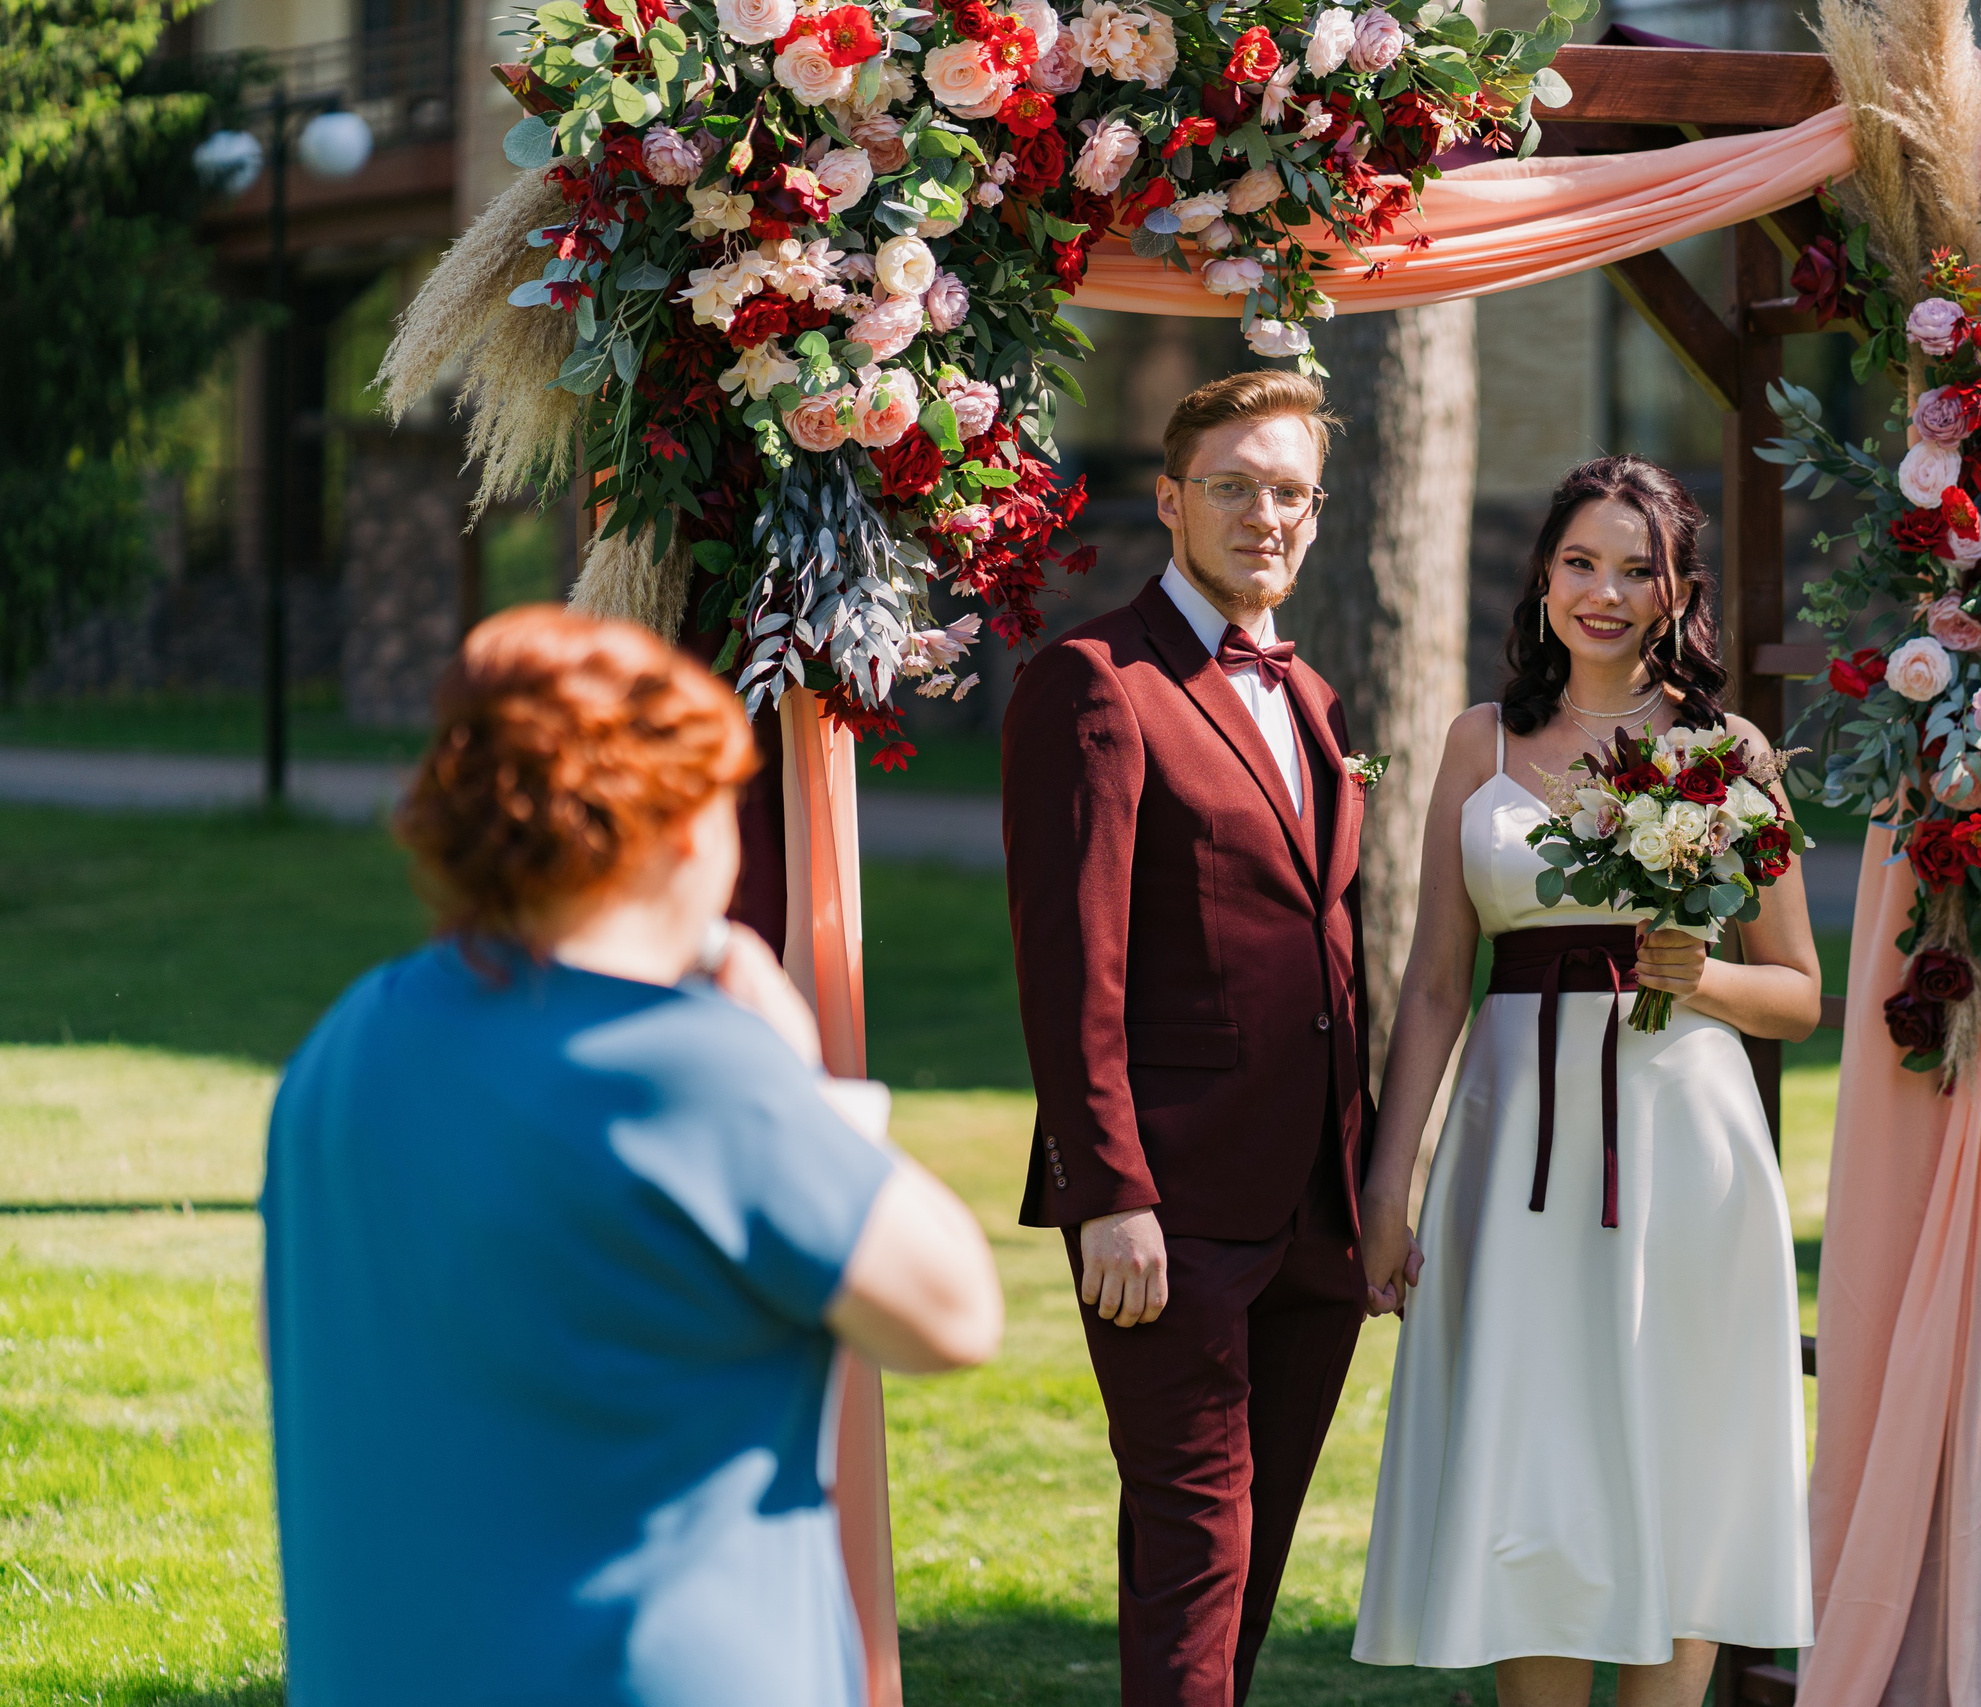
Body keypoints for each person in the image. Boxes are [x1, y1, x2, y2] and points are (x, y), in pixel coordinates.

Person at [260, 606, 1002, 1707]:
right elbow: (953, 1314)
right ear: (686, 828)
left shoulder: (343, 1046)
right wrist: (803, 1085)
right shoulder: (689, 1073)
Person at [1350, 457, 1822, 1705]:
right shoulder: (1477, 743)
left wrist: (1699, 975)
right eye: (1581, 562)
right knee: (1531, 1454)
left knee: (1683, 1450)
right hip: (1515, 1159)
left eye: (1635, 570)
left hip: (1688, 1157)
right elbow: (1437, 986)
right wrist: (1387, 1185)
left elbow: (1798, 993)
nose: (1604, 592)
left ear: (1675, 594)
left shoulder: (1728, 752)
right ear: (1544, 575)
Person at [1002, 371, 1384, 1707]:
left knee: (1248, 1555)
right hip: (1169, 1210)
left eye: (1290, 491)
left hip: (1313, 1214)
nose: (1264, 514)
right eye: (1233, 484)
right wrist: (1107, 1191)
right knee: (1195, 1546)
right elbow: (1070, 967)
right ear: (1169, 499)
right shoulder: (1094, 682)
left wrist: (1369, 1181)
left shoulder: (1321, 703)